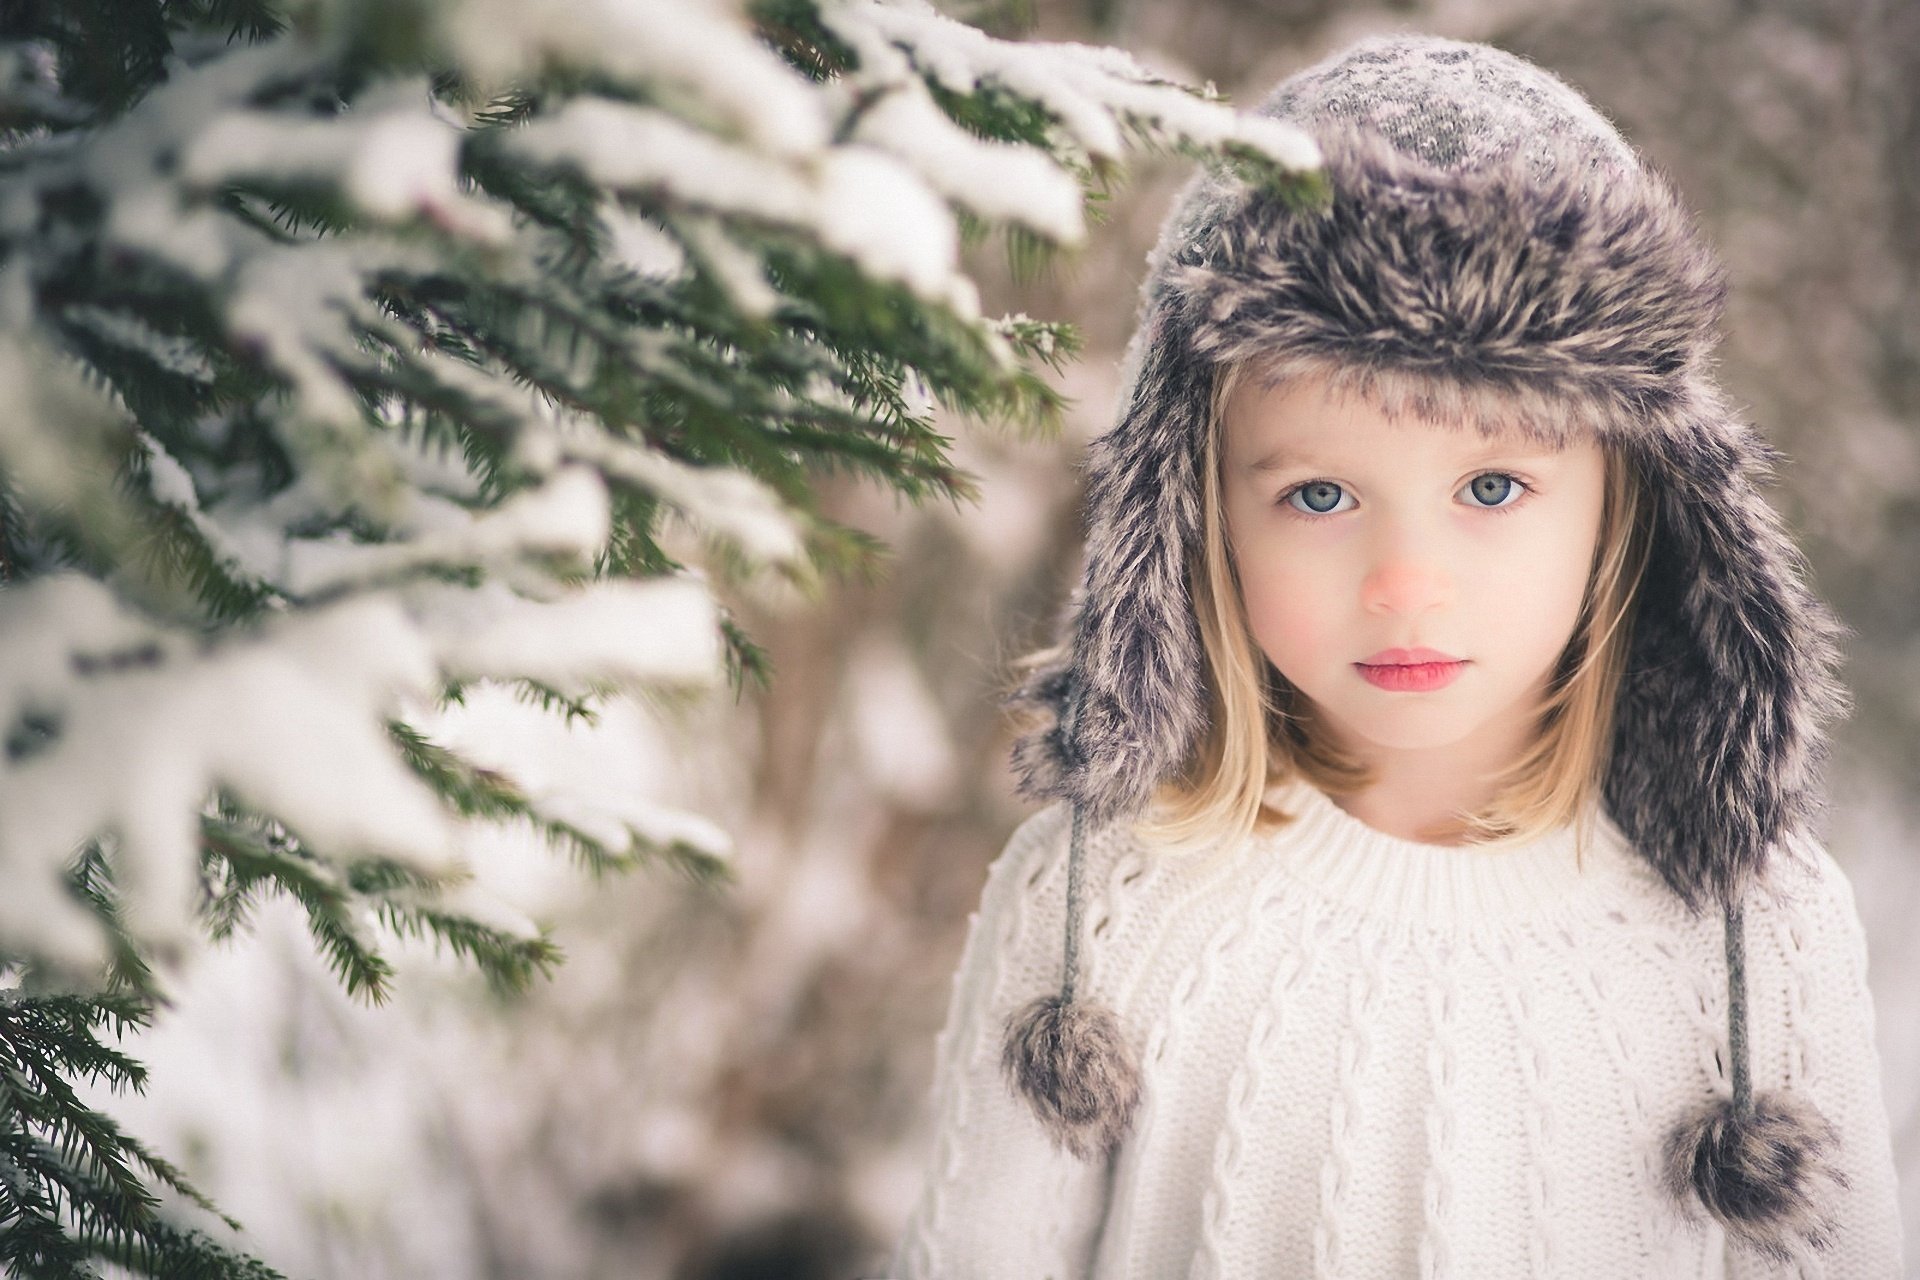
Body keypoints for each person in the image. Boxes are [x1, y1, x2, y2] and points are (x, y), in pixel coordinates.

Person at [887, 32, 1903, 1280]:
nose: (1405, 582)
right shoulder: (1101, 906)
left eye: (1490, 483)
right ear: (1195, 514)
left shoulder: (1753, 936)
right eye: (1318, 495)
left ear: (1631, 499)